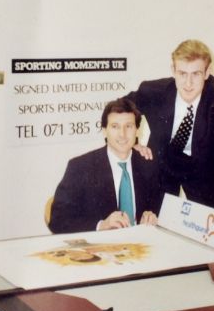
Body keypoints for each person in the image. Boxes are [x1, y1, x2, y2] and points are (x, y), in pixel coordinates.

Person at [125, 40, 214, 215]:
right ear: (173, 71)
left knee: (209, 223)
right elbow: (119, 110)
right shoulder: (154, 92)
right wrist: (131, 143)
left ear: (207, 72)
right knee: (152, 218)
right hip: (163, 162)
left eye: (196, 74)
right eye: (182, 73)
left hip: (203, 169)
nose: (188, 83)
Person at [48, 98, 163, 234]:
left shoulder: (149, 165)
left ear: (137, 131)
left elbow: (162, 211)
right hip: (100, 245)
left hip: (142, 244)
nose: (122, 134)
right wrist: (101, 225)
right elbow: (57, 220)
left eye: (129, 126)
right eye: (115, 126)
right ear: (104, 131)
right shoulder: (80, 167)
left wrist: (152, 217)